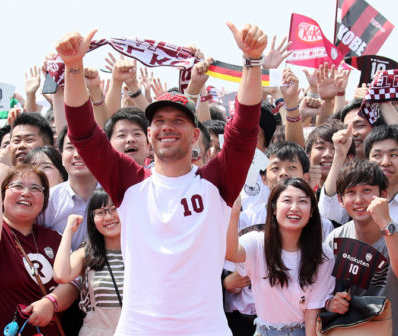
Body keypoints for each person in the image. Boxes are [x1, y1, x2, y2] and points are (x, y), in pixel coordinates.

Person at [57, 22, 265, 335]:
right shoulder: (129, 183)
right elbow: (84, 134)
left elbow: (244, 131)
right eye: (159, 122)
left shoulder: (217, 183)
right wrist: (73, 67)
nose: (167, 126)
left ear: (195, 135)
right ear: (150, 135)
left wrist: (252, 62)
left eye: (178, 121)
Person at [0, 158, 74, 335]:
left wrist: (51, 302)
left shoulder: (56, 239)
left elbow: (74, 283)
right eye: (17, 186)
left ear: (45, 200)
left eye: (35, 188)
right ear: (1, 195)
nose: (26, 193)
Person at [226, 178, 335, 336]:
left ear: (311, 211)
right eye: (287, 200)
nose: (294, 208)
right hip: (262, 330)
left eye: (302, 201)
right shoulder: (257, 242)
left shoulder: (323, 255)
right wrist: (234, 213)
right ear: (274, 208)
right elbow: (231, 253)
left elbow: (312, 313)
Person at [326, 159, 398, 336]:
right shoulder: (335, 239)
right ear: (340, 199)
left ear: (383, 194)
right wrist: (330, 302)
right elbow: (322, 293)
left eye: (367, 191)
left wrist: (385, 224)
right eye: (351, 192)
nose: (359, 200)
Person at [53, 189, 123, 336]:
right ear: (92, 218)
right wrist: (69, 230)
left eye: (114, 209)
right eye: (100, 212)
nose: (108, 217)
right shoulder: (86, 253)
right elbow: (61, 275)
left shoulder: (140, 251)